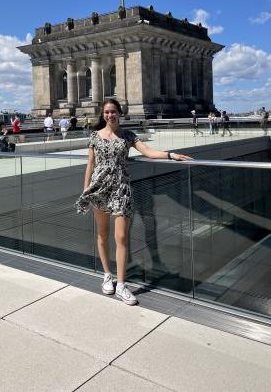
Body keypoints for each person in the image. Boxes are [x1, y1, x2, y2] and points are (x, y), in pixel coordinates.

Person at [75, 98, 192, 306]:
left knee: (120, 237)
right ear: (103, 115)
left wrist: (171, 155)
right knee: (102, 234)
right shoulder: (94, 136)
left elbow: (147, 151)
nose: (110, 115)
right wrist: (86, 190)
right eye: (107, 112)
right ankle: (107, 275)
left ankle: (121, 284)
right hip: (99, 188)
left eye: (113, 112)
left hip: (121, 189)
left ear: (120, 113)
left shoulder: (128, 135)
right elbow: (90, 165)